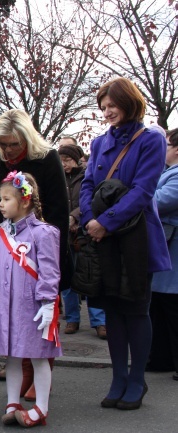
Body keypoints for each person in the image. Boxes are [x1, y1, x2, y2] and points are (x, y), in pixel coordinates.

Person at [80, 77, 170, 410]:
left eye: (112, 105)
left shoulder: (150, 140)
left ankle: (136, 380)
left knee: (135, 308)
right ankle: (118, 377)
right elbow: (88, 184)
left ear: (128, 102)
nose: (107, 112)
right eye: (103, 107)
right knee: (113, 311)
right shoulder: (99, 142)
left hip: (137, 236)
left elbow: (144, 191)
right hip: (103, 236)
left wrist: (105, 222)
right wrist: (92, 220)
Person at [0, 109, 69, 400]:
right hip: (8, 245)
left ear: (27, 138)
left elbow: (58, 210)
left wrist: (50, 255)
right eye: (3, 144)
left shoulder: (47, 159)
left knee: (40, 318)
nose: (8, 150)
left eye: (13, 144)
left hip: (40, 248)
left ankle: (38, 374)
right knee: (15, 315)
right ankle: (19, 364)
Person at [0, 172, 62, 427]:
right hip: (6, 305)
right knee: (12, 357)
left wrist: (48, 303)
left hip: (33, 306)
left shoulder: (44, 233)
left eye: (6, 199)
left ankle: (41, 408)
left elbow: (49, 271)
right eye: (0, 199)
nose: (1, 204)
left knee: (39, 357)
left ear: (25, 201)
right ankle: (12, 403)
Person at [57, 143, 107, 340]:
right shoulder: (57, 178)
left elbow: (91, 199)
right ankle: (72, 319)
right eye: (61, 161)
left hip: (84, 234)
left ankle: (99, 321)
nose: (64, 165)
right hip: (65, 236)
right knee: (68, 279)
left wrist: (75, 217)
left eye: (67, 160)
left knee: (90, 276)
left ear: (76, 160)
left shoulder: (86, 176)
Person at [148, 128, 178, 381]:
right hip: (166, 251)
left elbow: (159, 200)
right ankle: (160, 358)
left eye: (167, 145)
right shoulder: (168, 173)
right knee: (159, 308)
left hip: (174, 253)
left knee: (173, 310)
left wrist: (139, 194)